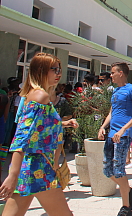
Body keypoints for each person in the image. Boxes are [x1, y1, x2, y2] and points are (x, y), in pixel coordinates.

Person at [0, 53, 77, 215]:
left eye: (59, 69)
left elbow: (40, 127)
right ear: (40, 71)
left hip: (36, 167)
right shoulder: (40, 96)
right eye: (53, 69)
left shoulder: (38, 95)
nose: (58, 73)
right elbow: (22, 136)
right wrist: (12, 175)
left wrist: (63, 123)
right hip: (39, 167)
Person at [98, 62, 132, 216]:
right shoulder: (116, 91)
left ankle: (126, 207)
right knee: (107, 170)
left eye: (112, 73)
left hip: (123, 135)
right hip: (111, 135)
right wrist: (103, 126)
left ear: (121, 73)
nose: (110, 75)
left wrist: (124, 129)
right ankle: (129, 191)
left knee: (118, 170)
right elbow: (112, 112)